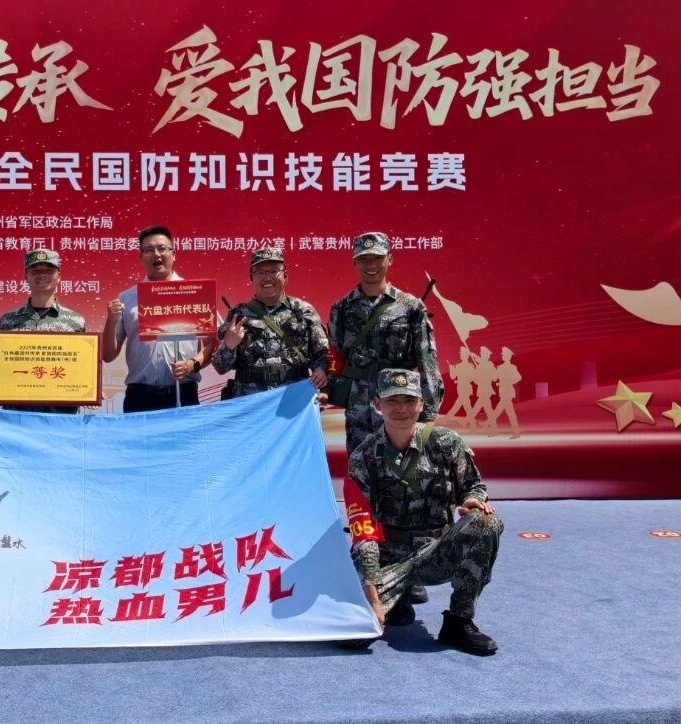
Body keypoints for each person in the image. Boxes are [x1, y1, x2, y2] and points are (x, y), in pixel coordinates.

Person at [346, 369, 504, 655]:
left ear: (421, 404)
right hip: (388, 558)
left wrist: (471, 500)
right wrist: (372, 597)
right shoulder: (363, 457)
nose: (401, 409)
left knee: (485, 522)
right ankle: (398, 599)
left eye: (409, 400)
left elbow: (474, 485)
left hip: (436, 552)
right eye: (392, 401)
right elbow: (363, 531)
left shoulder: (446, 443)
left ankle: (459, 621)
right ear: (378, 404)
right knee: (350, 636)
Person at [328, 231, 443, 456]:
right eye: (364, 259)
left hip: (399, 402)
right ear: (354, 262)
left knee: (402, 463)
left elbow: (427, 361)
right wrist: (330, 392)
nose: (371, 265)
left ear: (389, 259)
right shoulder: (341, 308)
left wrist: (428, 413)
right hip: (358, 405)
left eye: (378, 258)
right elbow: (335, 356)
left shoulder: (411, 307)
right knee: (360, 462)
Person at [102, 225, 216, 412]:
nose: (156, 254)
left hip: (184, 392)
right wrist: (111, 320)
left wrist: (192, 364)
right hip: (140, 396)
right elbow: (108, 355)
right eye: (149, 250)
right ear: (141, 257)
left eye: (162, 248)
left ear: (174, 254)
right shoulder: (126, 298)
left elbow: (214, 345)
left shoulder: (196, 294)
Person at [212, 247, 327, 398]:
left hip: (294, 398)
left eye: (274, 271)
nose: (267, 278)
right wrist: (229, 345)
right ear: (251, 278)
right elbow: (220, 367)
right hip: (251, 401)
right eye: (260, 272)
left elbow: (324, 354)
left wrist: (321, 371)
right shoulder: (237, 315)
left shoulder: (303, 311)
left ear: (285, 275)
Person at [0, 248, 86, 414]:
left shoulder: (75, 322)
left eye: (49, 271)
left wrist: (89, 388)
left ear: (59, 276)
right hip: (17, 414)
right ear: (26, 276)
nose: (42, 276)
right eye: (35, 271)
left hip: (61, 415)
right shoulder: (8, 321)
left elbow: (80, 366)